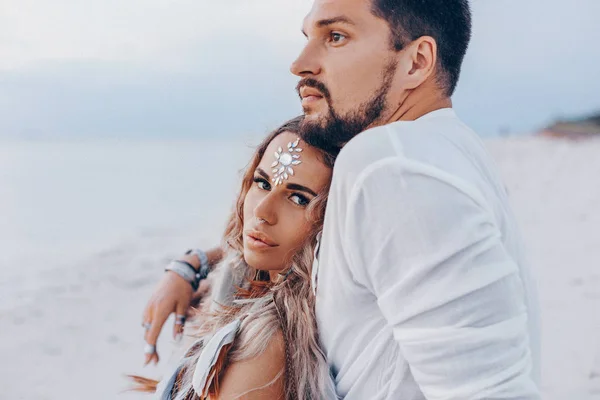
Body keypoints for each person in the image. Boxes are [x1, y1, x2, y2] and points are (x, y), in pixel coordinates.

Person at [142, 0, 541, 398]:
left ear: (417, 61)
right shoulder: (452, 152)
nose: (300, 64)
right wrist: (192, 264)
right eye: (308, 37)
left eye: (335, 37)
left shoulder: (389, 164)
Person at [134, 116, 339, 399]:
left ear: (333, 219)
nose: (262, 212)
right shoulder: (247, 278)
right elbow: (235, 251)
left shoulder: (265, 346)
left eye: (298, 199)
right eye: (262, 183)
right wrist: (189, 266)